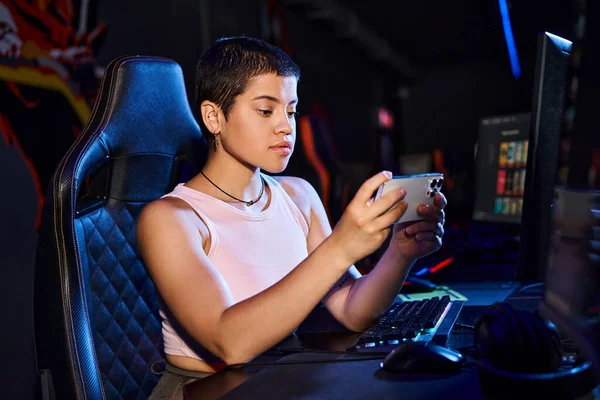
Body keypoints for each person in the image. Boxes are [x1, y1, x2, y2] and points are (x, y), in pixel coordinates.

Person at [136, 36, 447, 398]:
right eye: (266, 111)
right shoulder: (170, 218)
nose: (286, 126)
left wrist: (400, 253)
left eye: (291, 110)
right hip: (206, 389)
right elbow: (229, 344)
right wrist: (340, 248)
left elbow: (351, 310)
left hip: (281, 376)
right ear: (213, 117)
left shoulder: (298, 195)